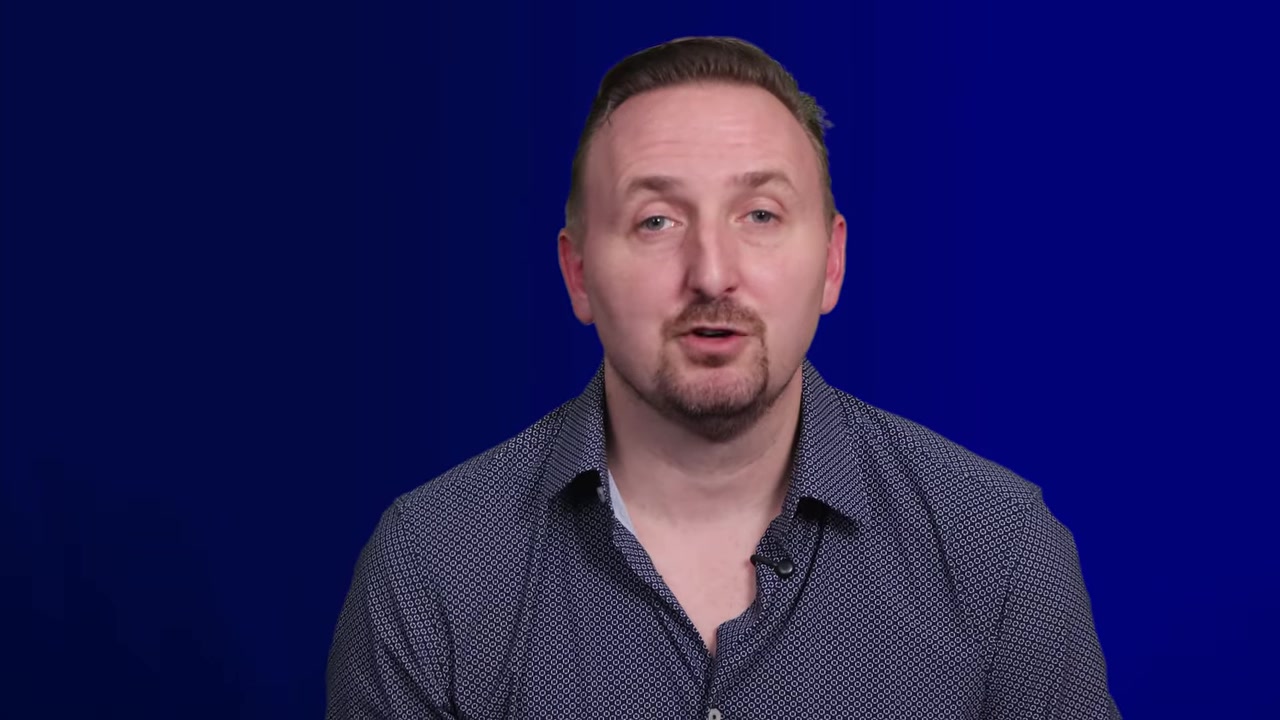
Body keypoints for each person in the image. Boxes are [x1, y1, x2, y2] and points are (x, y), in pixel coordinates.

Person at [326, 36, 1119, 719]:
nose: (711, 273)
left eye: (760, 215)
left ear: (832, 262)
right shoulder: (433, 566)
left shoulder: (998, 551)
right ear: (577, 274)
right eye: (657, 221)